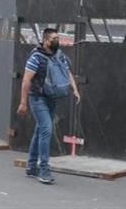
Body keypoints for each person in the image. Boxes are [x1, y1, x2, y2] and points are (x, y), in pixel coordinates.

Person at [16, 28, 80, 185]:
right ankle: (43, 169)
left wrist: (75, 89)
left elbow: (67, 72)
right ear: (45, 41)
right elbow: (26, 81)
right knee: (46, 129)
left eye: (57, 38)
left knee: (40, 130)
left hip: (51, 97)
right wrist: (23, 102)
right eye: (53, 38)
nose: (56, 41)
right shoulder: (36, 57)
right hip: (37, 98)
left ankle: (31, 166)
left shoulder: (59, 56)